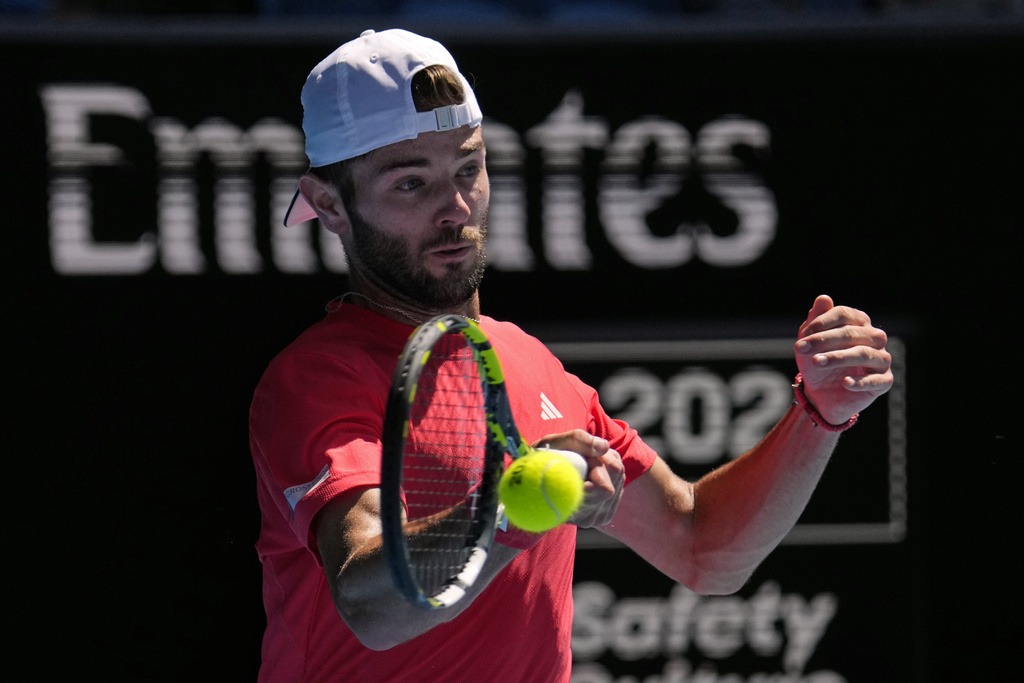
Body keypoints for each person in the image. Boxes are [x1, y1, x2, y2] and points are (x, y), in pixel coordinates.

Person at [248, 28, 893, 682]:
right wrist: (508, 510)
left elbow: (704, 548)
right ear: (329, 203)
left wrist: (819, 413)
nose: (456, 206)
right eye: (411, 184)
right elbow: (370, 604)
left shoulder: (532, 363)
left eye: (468, 168)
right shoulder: (316, 379)